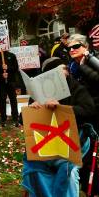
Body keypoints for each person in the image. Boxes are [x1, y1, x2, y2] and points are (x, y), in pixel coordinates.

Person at [22, 57, 96, 197]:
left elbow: (89, 111)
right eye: (58, 70)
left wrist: (63, 109)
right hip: (44, 146)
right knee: (35, 169)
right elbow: (25, 121)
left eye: (65, 68)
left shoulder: (77, 89)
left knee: (67, 169)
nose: (64, 71)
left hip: (72, 144)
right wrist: (32, 109)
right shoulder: (38, 92)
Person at [67, 34, 99, 196]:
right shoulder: (71, 66)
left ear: (86, 47)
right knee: (85, 156)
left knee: (91, 154)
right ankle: (89, 189)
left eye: (76, 46)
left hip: (95, 113)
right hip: (83, 115)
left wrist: (83, 64)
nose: (72, 50)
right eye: (69, 47)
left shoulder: (92, 62)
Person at [0, 50, 19, 126]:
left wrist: (8, 68)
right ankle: (3, 119)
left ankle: (15, 118)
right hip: (1, 83)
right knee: (2, 100)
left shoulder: (12, 55)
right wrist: (1, 75)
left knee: (13, 99)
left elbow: (16, 68)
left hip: (11, 81)